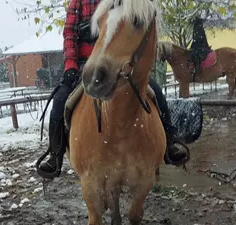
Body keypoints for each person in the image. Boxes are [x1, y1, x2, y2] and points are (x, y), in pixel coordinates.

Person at [37, 0, 189, 179]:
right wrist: (70, 65)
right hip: (85, 63)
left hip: (115, 61)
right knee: (60, 100)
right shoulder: (78, 2)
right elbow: (70, 34)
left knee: (156, 92)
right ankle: (56, 155)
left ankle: (169, 142)